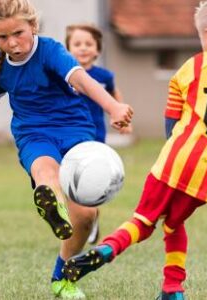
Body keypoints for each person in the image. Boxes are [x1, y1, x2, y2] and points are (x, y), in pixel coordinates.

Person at [62, 1, 207, 299]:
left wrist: (174, 145)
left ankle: (107, 249)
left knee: (143, 221)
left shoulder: (194, 66)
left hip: (176, 162)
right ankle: (173, 289)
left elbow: (172, 116)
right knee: (173, 223)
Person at [0, 0, 133, 298]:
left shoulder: (50, 50)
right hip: (33, 134)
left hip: (75, 131)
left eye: (18, 33)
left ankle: (63, 276)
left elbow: (82, 80)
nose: (12, 43)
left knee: (87, 216)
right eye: (2, 37)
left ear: (33, 27)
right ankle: (51, 202)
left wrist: (113, 106)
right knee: (44, 169)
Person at [64, 23, 133, 245]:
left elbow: (114, 93)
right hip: (68, 136)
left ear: (97, 50)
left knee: (92, 181)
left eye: (88, 44)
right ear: (68, 49)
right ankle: (76, 218)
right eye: (77, 44)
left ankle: (91, 218)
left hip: (95, 138)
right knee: (68, 180)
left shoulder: (104, 76)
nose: (83, 48)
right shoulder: (64, 75)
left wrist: (121, 117)